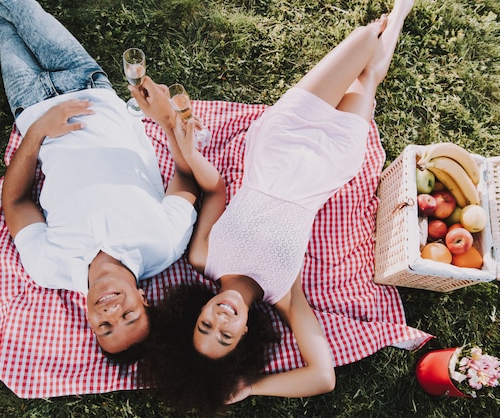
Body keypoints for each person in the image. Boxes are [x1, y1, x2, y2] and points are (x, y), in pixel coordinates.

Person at [135, 0, 415, 413]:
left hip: (277, 144)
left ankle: (388, 23)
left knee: (365, 38)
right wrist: (249, 387)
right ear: (245, 333)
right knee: (369, 75)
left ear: (197, 313)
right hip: (330, 162)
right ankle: (403, 11)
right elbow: (323, 377)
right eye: (226, 335)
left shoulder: (203, 258)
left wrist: (193, 155)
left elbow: (216, 191)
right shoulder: (284, 294)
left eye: (205, 324)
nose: (221, 318)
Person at [0, 0, 203, 357]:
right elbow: (186, 176)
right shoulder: (165, 244)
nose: (111, 312)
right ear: (145, 300)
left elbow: (16, 202)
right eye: (129, 317)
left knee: (3, 27)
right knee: (22, 9)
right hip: (89, 85)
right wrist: (165, 118)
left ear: (89, 322)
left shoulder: (49, 268)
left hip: (30, 106)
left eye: (104, 326)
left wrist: (39, 130)